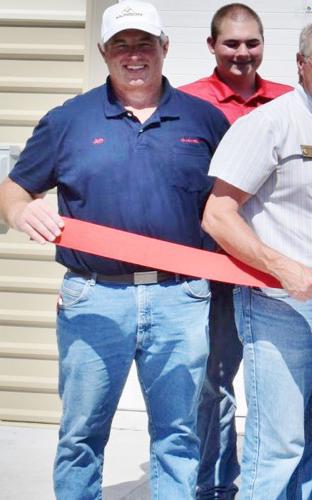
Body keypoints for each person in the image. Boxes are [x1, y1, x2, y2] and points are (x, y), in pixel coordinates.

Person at [0, 1, 228, 497]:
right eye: (121, 45)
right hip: (94, 298)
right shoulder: (68, 121)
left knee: (179, 434)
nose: (133, 55)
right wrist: (20, 212)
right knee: (81, 434)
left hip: (180, 299)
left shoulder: (204, 121)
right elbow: (13, 190)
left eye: (144, 43)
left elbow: (235, 209)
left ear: (164, 48)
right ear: (104, 52)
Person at [200, 19, 312, 499]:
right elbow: (218, 215)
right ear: (300, 64)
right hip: (279, 305)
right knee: (278, 447)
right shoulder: (268, 123)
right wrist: (282, 268)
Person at [178, 5, 292, 499]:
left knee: (281, 391)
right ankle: (216, 487)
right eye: (231, 43)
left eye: (252, 43)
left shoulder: (290, 101)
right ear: (211, 45)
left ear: (264, 44)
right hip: (211, 269)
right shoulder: (185, 102)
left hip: (275, 271)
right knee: (214, 387)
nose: (242, 53)